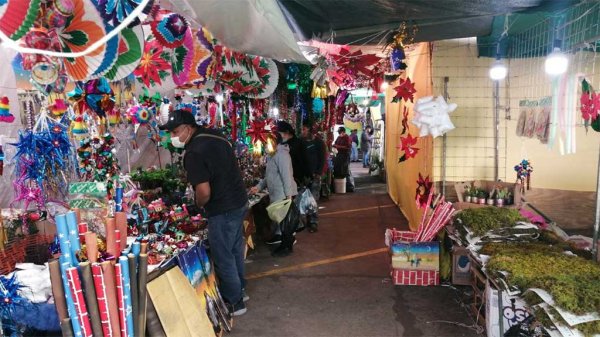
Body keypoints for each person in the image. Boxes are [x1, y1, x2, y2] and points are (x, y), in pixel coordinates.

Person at [160, 109, 249, 316]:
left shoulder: (194, 152)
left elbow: (204, 192)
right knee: (235, 249)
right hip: (239, 202)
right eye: (170, 132)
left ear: (188, 128)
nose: (173, 137)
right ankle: (240, 290)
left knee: (222, 255)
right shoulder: (216, 135)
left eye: (175, 131)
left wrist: (198, 205)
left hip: (222, 208)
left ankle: (235, 302)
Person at [250, 133, 298, 257]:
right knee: (281, 222)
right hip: (277, 194)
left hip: (283, 195)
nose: (266, 144)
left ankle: (286, 246)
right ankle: (284, 243)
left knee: (285, 224)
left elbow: (286, 176)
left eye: (268, 142)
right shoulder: (272, 155)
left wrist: (288, 196)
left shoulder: (282, 155)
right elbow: (268, 176)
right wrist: (259, 187)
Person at [301, 122, 326, 233]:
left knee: (313, 200)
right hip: (304, 176)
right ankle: (307, 220)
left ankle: (313, 222)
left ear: (310, 130)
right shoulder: (301, 142)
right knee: (305, 200)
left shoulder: (319, 142)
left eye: (304, 129)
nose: (303, 132)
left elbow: (322, 159)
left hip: (315, 176)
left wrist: (318, 173)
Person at [275, 121, 311, 186]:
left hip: (296, 178)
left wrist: (307, 176)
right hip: (281, 179)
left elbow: (305, 160)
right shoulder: (280, 143)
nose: (279, 136)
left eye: (280, 133)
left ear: (287, 132)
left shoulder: (299, 143)